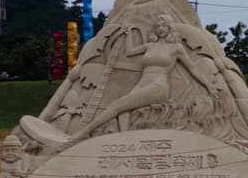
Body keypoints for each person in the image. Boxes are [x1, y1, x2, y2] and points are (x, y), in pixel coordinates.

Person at [75, 14, 216, 139]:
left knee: (117, 105)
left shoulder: (176, 48)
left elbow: (192, 68)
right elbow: (130, 52)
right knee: (123, 110)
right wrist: (128, 34)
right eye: (158, 26)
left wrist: (209, 85)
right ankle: (125, 139)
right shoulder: (150, 46)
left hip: (158, 86)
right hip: (142, 84)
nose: (160, 28)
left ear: (170, 27)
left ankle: (83, 133)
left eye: (164, 26)